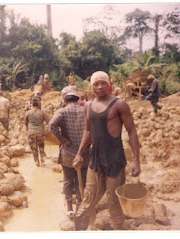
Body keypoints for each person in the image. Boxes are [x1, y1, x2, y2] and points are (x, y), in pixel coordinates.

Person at [73, 71, 141, 230]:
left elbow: (132, 131)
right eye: (96, 84)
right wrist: (79, 152)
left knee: (113, 198)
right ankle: (88, 226)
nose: (100, 87)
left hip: (114, 160)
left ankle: (117, 228)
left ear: (109, 84)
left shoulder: (119, 104)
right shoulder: (88, 106)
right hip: (95, 159)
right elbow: (88, 131)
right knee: (89, 195)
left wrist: (136, 161)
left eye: (103, 83)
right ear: (91, 87)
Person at [49, 89, 92, 219]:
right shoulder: (85, 109)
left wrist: (62, 140)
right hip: (84, 154)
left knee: (68, 180)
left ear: (65, 100)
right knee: (82, 180)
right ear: (77, 98)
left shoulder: (62, 111)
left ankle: (69, 209)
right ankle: (79, 207)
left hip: (68, 153)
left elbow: (51, 126)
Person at [25, 100, 50, 167]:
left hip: (31, 132)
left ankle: (36, 161)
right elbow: (48, 121)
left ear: (32, 106)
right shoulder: (42, 112)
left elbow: (26, 122)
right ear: (38, 106)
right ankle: (42, 156)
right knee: (41, 144)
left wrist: (28, 129)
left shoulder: (28, 112)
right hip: (41, 132)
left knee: (33, 147)